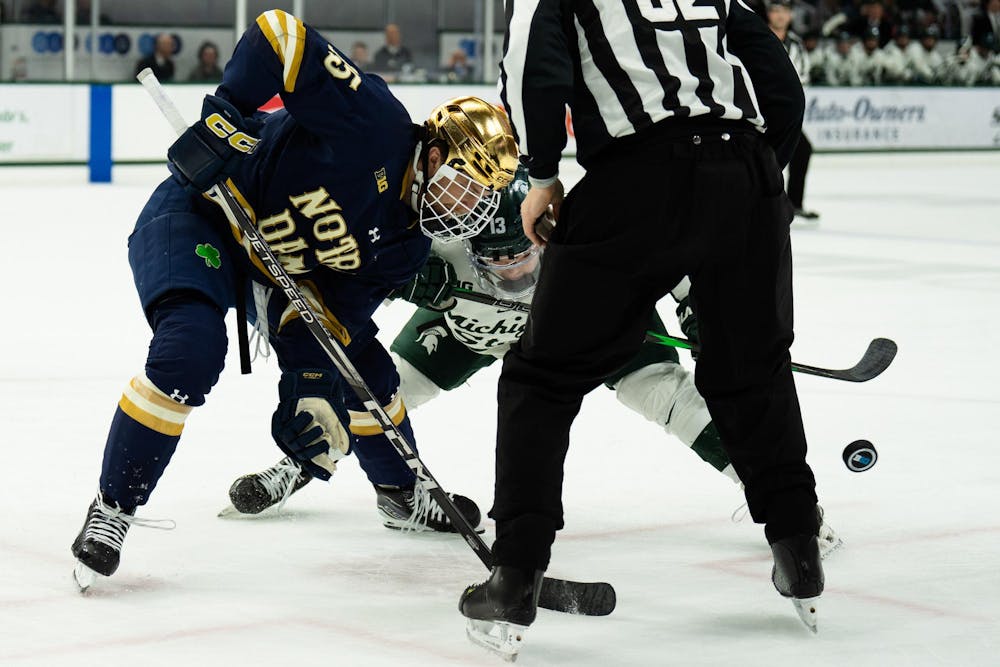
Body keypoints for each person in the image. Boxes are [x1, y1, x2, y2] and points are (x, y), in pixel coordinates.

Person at [71, 9, 518, 591]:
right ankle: (113, 508)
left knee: (364, 368)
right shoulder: (375, 125)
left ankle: (401, 495)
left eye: (480, 197)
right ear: (433, 154)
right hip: (201, 213)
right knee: (190, 351)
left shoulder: (406, 248)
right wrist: (227, 118)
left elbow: (326, 316)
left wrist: (307, 393)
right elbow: (280, 33)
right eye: (464, 185)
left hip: (277, 270)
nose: (467, 208)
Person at [460, 0, 824, 658]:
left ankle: (514, 573)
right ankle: (798, 545)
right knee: (753, 370)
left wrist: (542, 175)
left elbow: (532, 71)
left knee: (541, 377)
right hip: (745, 171)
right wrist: (756, 176)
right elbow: (778, 79)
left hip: (636, 177)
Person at [225, 166, 841, 551]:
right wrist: (414, 283)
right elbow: (361, 271)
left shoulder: (577, 226)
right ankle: (294, 467)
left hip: (577, 319)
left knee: (666, 394)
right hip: (472, 329)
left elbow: (671, 255)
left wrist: (695, 311)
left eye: (523, 255)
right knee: (373, 395)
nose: (515, 270)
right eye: (498, 261)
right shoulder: (441, 237)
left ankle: (784, 506)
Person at [769, 0, 819, 221]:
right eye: (776, 10)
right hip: (761, 110)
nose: (780, 16)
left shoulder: (796, 45)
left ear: (790, 16)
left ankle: (794, 203)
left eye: (784, 11)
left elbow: (803, 78)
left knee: (802, 150)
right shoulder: (758, 37)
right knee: (766, 158)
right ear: (769, 13)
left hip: (786, 111)